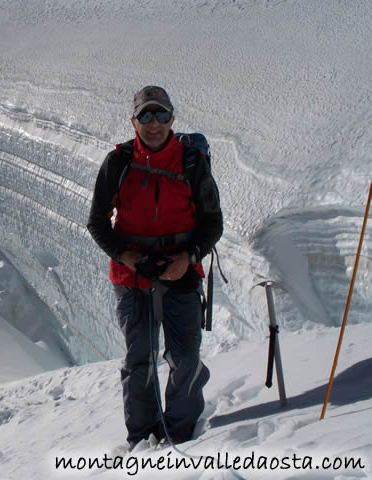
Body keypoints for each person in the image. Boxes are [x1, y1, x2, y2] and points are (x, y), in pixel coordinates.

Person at [87, 86, 223, 448]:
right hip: (134, 276)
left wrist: (188, 259)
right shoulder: (117, 163)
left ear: (172, 119)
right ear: (133, 121)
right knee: (140, 361)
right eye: (145, 115)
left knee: (185, 358)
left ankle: (181, 435)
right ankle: (142, 439)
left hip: (181, 272)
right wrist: (129, 258)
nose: (154, 123)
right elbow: (97, 222)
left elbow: (213, 223)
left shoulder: (192, 164)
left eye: (161, 114)